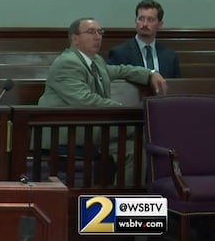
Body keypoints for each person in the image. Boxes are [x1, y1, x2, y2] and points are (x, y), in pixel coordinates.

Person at [38, 17, 167, 186]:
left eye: (100, 32)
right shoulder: (67, 63)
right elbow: (86, 101)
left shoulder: (95, 61)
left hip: (93, 125)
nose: (98, 37)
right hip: (68, 130)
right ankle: (127, 199)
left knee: (135, 149)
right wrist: (126, 112)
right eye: (91, 32)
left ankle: (129, 199)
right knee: (146, 129)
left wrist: (150, 73)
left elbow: (122, 70)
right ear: (74, 39)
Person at [108, 0, 180, 78]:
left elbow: (176, 86)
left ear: (160, 24)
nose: (145, 24)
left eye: (150, 20)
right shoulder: (119, 53)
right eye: (141, 19)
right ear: (136, 21)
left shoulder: (170, 56)